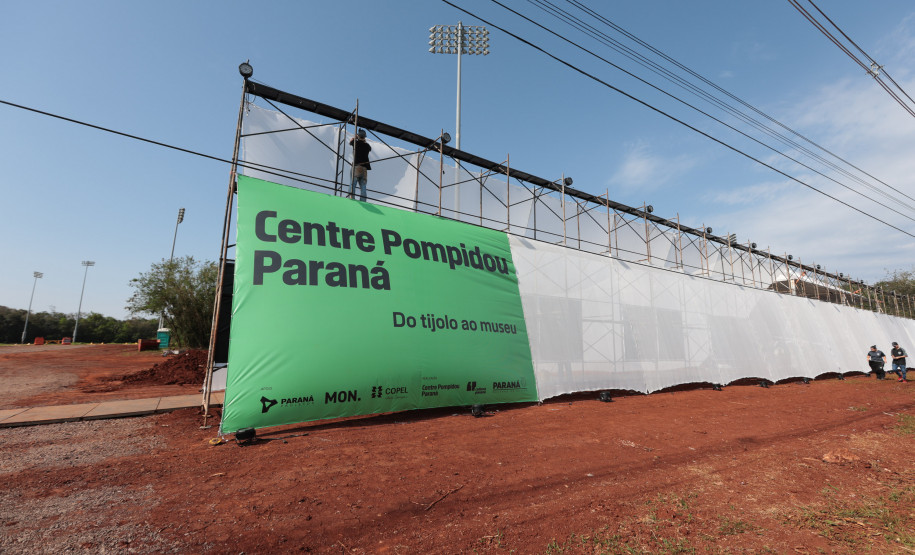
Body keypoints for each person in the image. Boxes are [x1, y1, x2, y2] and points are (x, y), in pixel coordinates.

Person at [348, 128, 372, 202]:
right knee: (363, 186)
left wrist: (355, 137)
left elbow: (350, 142)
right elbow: (369, 148)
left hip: (357, 166)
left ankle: (351, 198)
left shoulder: (356, 143)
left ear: (358, 136)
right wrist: (362, 139)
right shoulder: (367, 146)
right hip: (364, 169)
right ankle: (363, 200)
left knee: (353, 183)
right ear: (364, 137)